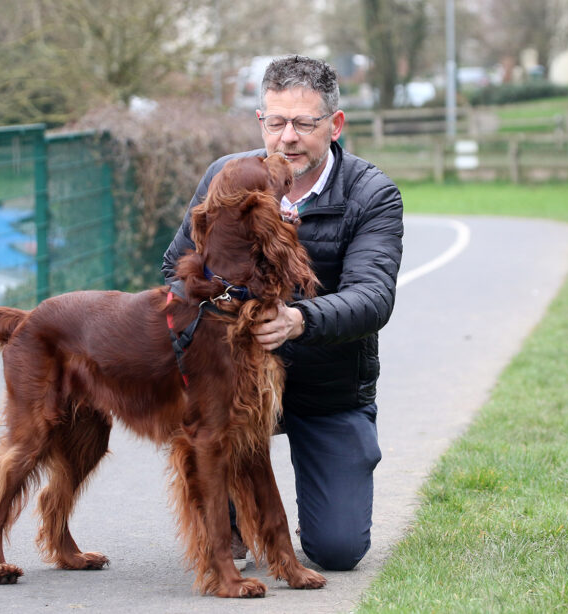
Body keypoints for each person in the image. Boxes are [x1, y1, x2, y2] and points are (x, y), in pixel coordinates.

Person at [161, 55, 403, 572]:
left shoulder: (371, 194)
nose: (287, 137)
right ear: (261, 121)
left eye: (303, 123)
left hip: (326, 389)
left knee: (338, 550)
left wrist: (300, 320)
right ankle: (229, 522)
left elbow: (373, 296)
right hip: (234, 382)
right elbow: (174, 268)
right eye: (276, 122)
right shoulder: (227, 177)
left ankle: (305, 513)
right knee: (209, 441)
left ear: (334, 125)